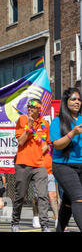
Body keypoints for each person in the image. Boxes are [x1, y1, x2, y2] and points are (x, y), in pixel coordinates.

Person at [11, 98, 51, 232]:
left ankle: (45, 225)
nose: (29, 108)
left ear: (39, 109)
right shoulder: (22, 120)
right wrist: (28, 127)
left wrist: (41, 151)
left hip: (39, 165)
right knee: (20, 196)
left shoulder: (45, 123)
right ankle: (15, 222)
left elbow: (46, 143)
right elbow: (21, 142)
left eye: (33, 107)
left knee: (43, 195)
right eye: (28, 106)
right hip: (23, 164)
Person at [50, 87, 82, 232]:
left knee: (68, 202)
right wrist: (73, 133)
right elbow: (57, 145)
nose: (77, 102)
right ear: (66, 101)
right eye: (73, 99)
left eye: (79, 99)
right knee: (78, 198)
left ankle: (60, 229)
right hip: (63, 165)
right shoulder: (58, 122)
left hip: (80, 165)